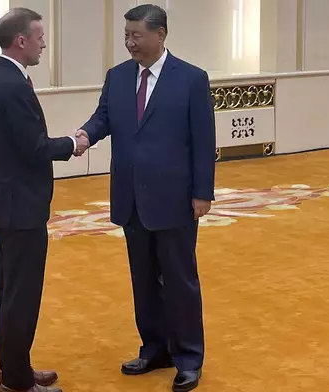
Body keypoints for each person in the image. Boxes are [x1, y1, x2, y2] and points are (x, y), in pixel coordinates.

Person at [75, 4, 215, 391]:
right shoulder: (117, 77)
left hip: (176, 200)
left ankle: (188, 357)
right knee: (143, 281)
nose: (130, 43)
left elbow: (204, 141)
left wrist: (203, 192)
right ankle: (155, 349)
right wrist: (85, 135)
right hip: (131, 198)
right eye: (127, 36)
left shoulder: (191, 79)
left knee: (180, 280)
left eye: (137, 35)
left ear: (161, 35)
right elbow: (103, 116)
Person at [0, 7, 89, 392]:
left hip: (2, 200)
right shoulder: (12, 85)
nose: (44, 44)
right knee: (20, 297)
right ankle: (19, 382)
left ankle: (13, 368)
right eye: (40, 37)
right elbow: (34, 147)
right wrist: (73, 144)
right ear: (21, 41)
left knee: (7, 291)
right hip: (21, 207)